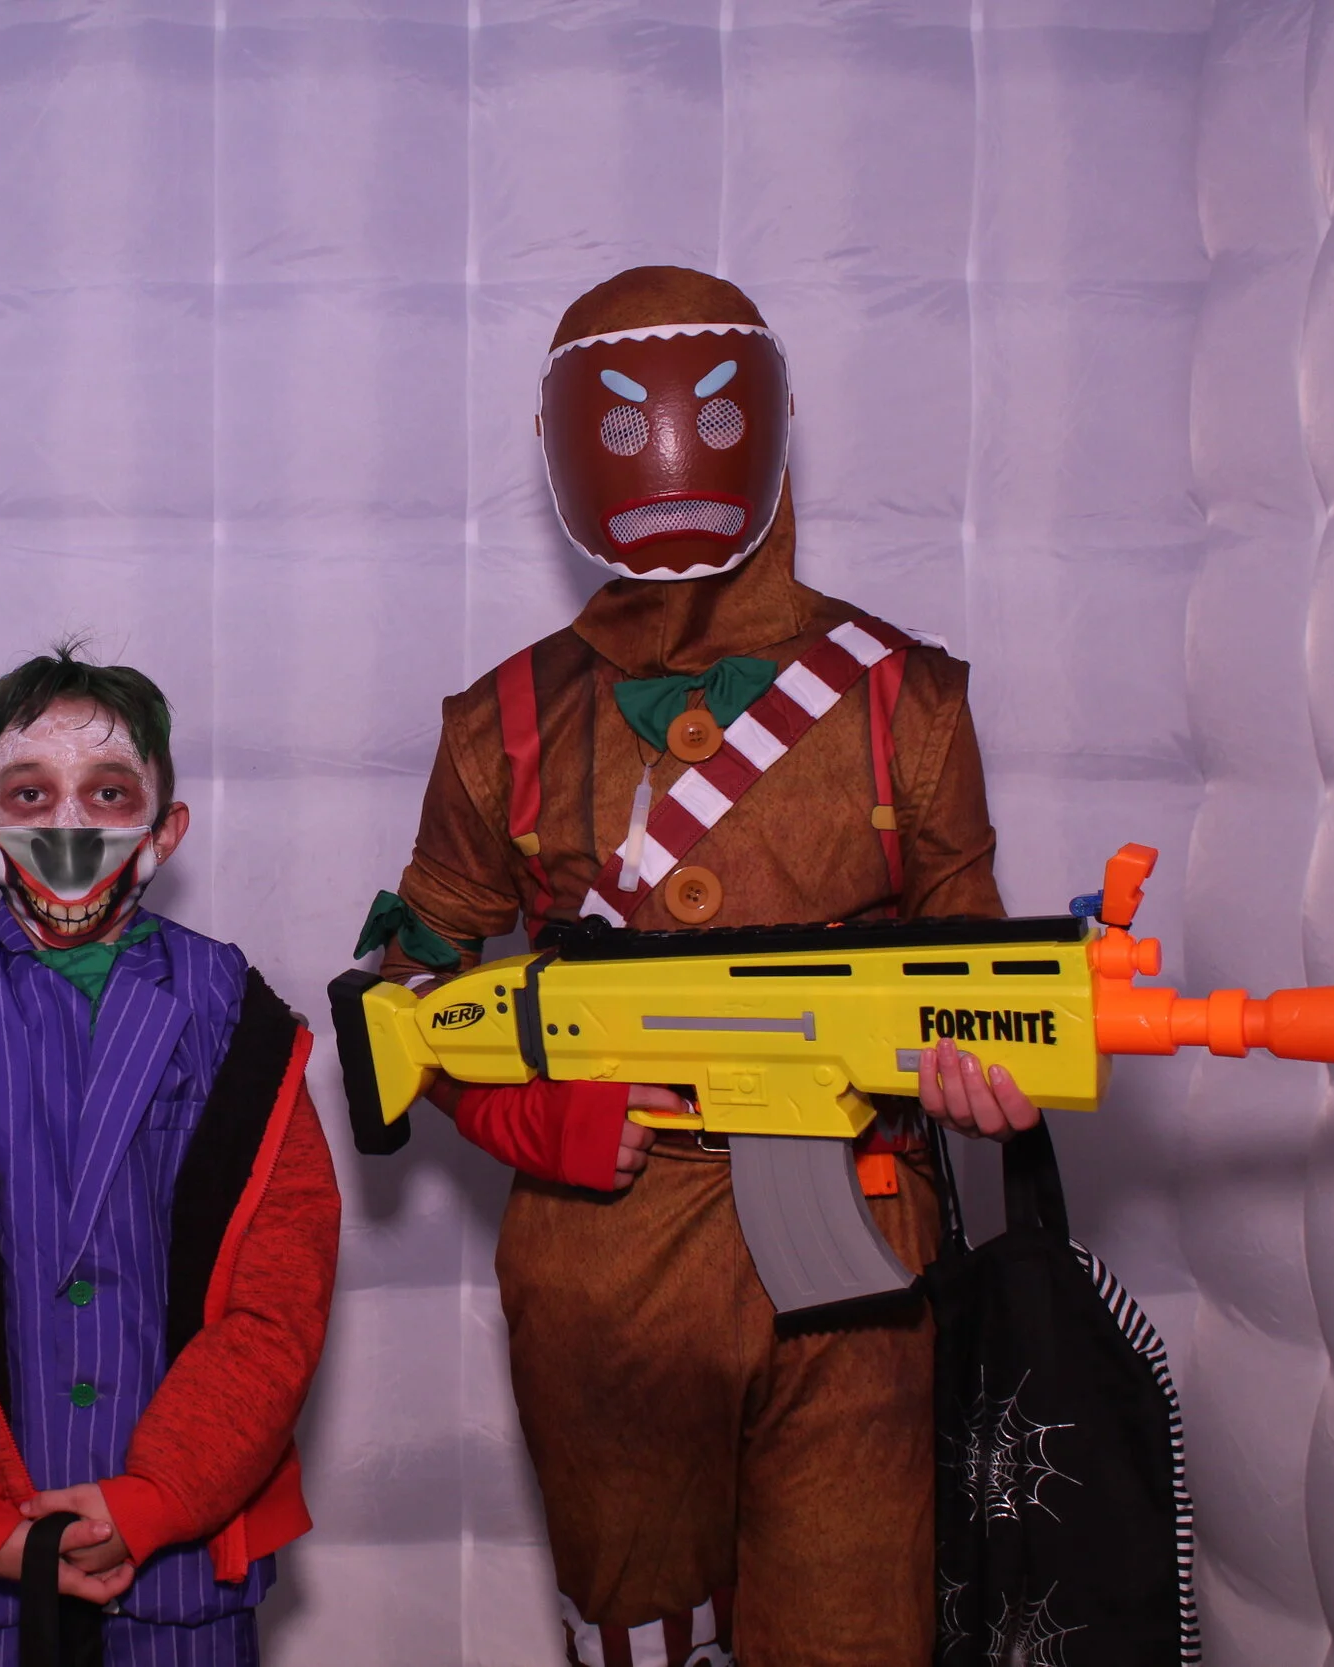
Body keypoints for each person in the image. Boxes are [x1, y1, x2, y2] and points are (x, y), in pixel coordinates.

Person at [363, 267, 1037, 1667]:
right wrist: (528, 1116)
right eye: (615, 421)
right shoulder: (504, 724)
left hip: (855, 1252)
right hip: (601, 1274)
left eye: (716, 411)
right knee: (642, 1636)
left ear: (773, 423)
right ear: (558, 440)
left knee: (855, 1631)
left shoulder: (902, 698)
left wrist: (993, 1077)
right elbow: (402, 988)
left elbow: (974, 958)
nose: (667, 449)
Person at [0, 646, 342, 1667]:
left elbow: (279, 1294)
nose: (69, 825)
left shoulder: (239, 1020)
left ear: (165, 827)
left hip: (184, 1564)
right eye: (30, 792)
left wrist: (158, 1495)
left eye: (108, 791)